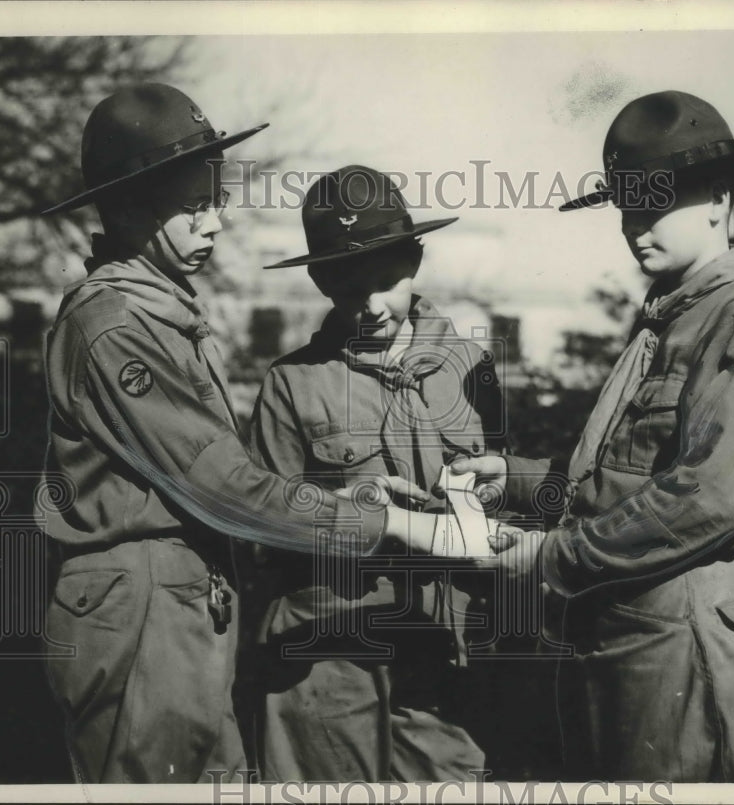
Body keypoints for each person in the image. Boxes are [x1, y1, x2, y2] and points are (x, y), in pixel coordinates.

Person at [37, 86, 453, 784]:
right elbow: (226, 485)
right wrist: (391, 525)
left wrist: (359, 493)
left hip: (178, 606)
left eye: (216, 201)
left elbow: (231, 479)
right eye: (195, 205)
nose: (217, 223)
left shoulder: (155, 315)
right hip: (143, 612)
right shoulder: (115, 327)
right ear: (132, 205)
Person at [456, 90, 734, 782]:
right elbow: (629, 475)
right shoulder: (673, 318)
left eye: (653, 201)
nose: (632, 224)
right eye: (626, 204)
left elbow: (716, 495)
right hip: (626, 620)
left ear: (716, 197)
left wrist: (554, 554)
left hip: (680, 626)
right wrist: (521, 475)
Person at [241, 165, 505, 781]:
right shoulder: (291, 382)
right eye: (348, 283)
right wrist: (349, 499)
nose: (371, 304)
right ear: (320, 278)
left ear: (416, 257)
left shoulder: (470, 369)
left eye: (386, 279)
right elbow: (257, 528)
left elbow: (506, 487)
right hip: (326, 646)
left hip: (440, 647)